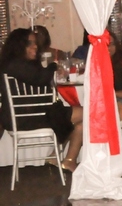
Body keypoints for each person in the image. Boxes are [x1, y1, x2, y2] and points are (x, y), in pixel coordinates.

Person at [0, 28, 82, 171]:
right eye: (30, 43)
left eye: (35, 43)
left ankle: (60, 157)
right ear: (19, 45)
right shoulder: (15, 65)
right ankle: (66, 159)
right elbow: (41, 78)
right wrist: (54, 65)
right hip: (26, 118)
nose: (35, 46)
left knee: (82, 121)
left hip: (32, 114)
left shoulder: (17, 64)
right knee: (88, 114)